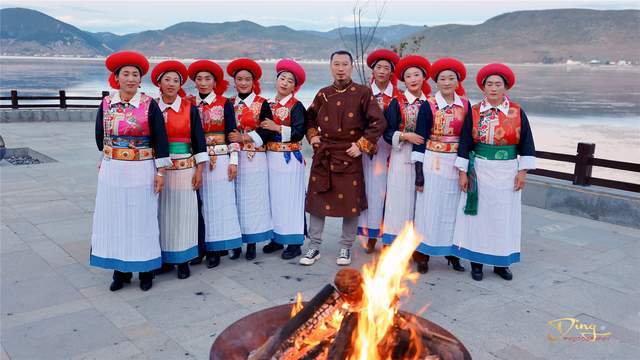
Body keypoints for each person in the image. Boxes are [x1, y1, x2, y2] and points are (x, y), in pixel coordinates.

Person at [91, 50, 171, 291]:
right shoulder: (106, 104)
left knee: (142, 218)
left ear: (140, 79)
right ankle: (120, 272)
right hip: (113, 170)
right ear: (116, 78)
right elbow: (99, 137)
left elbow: (161, 140)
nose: (130, 78)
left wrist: (160, 173)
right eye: (125, 74)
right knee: (115, 219)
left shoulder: (150, 105)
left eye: (135, 74)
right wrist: (109, 156)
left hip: (141, 169)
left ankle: (146, 270)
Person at [301, 50, 387, 266]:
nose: (340, 68)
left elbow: (378, 123)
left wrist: (362, 145)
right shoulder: (323, 93)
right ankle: (314, 247)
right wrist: (312, 137)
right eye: (336, 64)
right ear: (331, 67)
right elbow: (309, 118)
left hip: (350, 154)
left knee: (351, 204)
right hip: (324, 154)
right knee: (317, 202)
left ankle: (345, 248)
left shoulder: (363, 93)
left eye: (345, 64)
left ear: (351, 66)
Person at [452, 63, 536, 281]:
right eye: (489, 84)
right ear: (483, 88)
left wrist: (522, 171)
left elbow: (526, 142)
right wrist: (463, 172)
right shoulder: (475, 111)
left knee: (502, 217)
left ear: (505, 87)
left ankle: (501, 262)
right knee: (479, 217)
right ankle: (477, 263)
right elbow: (465, 142)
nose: (493, 88)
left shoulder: (517, 112)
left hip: (508, 171)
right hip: (480, 169)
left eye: (498, 84)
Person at [412, 57, 470, 274]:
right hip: (432, 161)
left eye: (451, 78)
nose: (447, 82)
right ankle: (423, 254)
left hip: (455, 161)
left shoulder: (465, 105)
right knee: (429, 208)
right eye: (442, 78)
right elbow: (420, 137)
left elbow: (466, 138)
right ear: (436, 81)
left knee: (453, 210)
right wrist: (419, 173)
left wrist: (463, 167)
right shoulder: (429, 105)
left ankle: (452, 253)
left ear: (458, 81)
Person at [152, 60, 207, 279]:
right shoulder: (152, 106)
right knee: (162, 213)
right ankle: (165, 258)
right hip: (159, 168)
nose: (172, 84)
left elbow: (199, 140)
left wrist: (199, 170)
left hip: (185, 166)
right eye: (167, 80)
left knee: (185, 213)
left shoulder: (188, 108)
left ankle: (183, 259)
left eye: (176, 80)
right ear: (159, 83)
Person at [188, 59, 243, 268]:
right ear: (194, 81)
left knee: (219, 203)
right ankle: (199, 247)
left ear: (214, 81)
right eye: (199, 79)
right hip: (195, 159)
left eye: (207, 79)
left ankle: (216, 249)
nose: (203, 83)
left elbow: (232, 134)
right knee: (198, 203)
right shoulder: (189, 102)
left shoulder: (224, 103)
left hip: (220, 158)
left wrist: (234, 161)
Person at [226, 58, 275, 261]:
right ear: (234, 82)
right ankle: (236, 242)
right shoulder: (228, 103)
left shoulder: (262, 104)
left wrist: (244, 137)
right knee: (234, 199)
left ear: (253, 82)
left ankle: (252, 242)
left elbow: (268, 132)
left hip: (255, 157)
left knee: (254, 199)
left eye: (247, 79)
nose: (243, 83)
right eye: (240, 79)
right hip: (234, 155)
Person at [381, 55, 430, 246]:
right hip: (401, 154)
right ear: (403, 80)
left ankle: (418, 246)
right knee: (398, 198)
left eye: (417, 75)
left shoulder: (432, 103)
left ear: (424, 77)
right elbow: (387, 131)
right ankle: (393, 243)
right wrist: (405, 136)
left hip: (427, 155)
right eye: (408, 76)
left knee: (422, 201)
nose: (413, 79)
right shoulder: (397, 102)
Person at [261, 59, 307, 260]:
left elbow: (298, 132)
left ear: (295, 87)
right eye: (282, 78)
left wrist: (277, 128)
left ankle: (295, 242)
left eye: (290, 81)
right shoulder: (267, 104)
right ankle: (277, 237)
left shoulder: (297, 106)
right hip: (270, 157)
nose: (285, 83)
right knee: (274, 198)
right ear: (276, 80)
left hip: (290, 159)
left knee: (291, 199)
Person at [358, 49, 400, 254]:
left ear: (392, 72)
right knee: (372, 191)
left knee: (391, 192)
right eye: (378, 67)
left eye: (386, 68)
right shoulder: (363, 93)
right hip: (370, 149)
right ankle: (370, 233)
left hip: (394, 148)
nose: (382, 71)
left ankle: (389, 234)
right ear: (372, 70)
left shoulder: (399, 96)